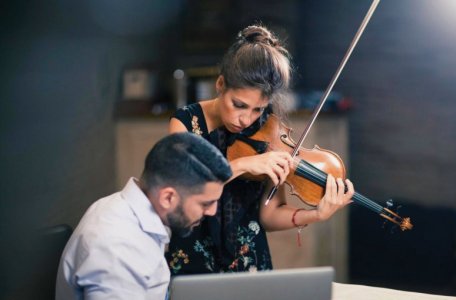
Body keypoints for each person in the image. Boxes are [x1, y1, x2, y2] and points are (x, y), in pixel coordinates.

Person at [165, 24, 355, 275]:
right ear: (220, 84)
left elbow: (268, 215)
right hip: (193, 260)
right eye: (239, 105)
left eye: (257, 109)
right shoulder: (185, 123)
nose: (246, 119)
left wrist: (316, 214)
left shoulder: (268, 128)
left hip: (250, 263)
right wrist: (242, 165)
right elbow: (180, 189)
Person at [55, 133, 232, 299]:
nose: (212, 212)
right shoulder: (117, 250)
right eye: (206, 203)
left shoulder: (126, 207)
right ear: (168, 197)